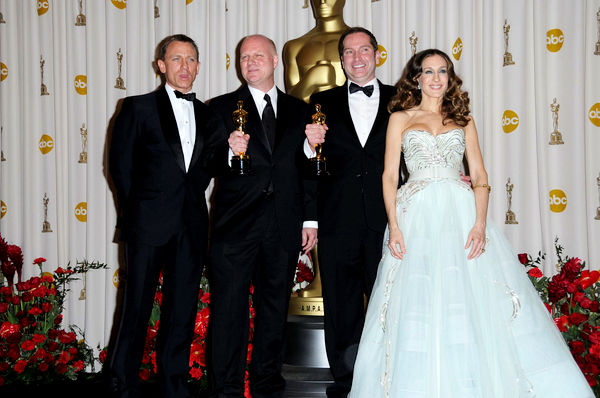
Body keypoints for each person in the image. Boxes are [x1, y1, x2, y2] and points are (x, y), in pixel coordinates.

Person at [348, 49, 594, 397]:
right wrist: (395, 226)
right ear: (416, 78)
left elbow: (479, 174)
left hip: (461, 215)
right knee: (414, 302)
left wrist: (479, 224)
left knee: (468, 298)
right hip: (414, 216)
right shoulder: (399, 118)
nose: (435, 79)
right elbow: (389, 176)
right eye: (428, 72)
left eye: (442, 72)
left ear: (450, 78)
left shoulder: (463, 119)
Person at [205, 34, 318, 398]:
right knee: (229, 312)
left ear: (274, 61)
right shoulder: (219, 108)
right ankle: (227, 388)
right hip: (234, 226)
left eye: (257, 55)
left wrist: (310, 219)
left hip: (283, 226)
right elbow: (203, 164)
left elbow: (308, 169)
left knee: (273, 313)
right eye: (243, 57)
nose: (250, 62)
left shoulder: (301, 109)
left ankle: (268, 384)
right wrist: (225, 154)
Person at [108, 34, 214, 397]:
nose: (184, 67)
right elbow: (120, 170)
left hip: (192, 226)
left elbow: (209, 166)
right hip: (147, 225)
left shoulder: (208, 113)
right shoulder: (137, 107)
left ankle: (173, 383)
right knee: (135, 307)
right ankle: (122, 381)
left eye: (191, 60)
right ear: (162, 65)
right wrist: (136, 216)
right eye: (177, 59)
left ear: (198, 67)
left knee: (182, 309)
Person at [304, 27, 398, 398]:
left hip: (388, 222)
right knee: (341, 311)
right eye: (348, 52)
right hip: (336, 222)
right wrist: (310, 149)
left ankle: (389, 383)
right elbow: (310, 165)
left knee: (389, 306)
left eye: (363, 50)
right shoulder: (320, 100)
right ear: (341, 59)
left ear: (377, 54)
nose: (356, 58)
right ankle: (345, 386)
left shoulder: (400, 100)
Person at [282, 0, 349, 102]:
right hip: (308, 116)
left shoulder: (359, 43)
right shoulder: (294, 47)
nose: (322, 2)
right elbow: (291, 102)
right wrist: (310, 80)